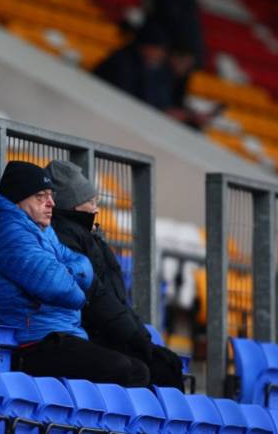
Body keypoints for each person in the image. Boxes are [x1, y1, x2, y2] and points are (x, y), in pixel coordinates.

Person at [0, 161, 150, 386]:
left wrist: (69, 273)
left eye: (50, 195)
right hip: (34, 343)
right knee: (123, 369)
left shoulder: (40, 228)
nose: (51, 203)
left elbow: (82, 263)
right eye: (41, 196)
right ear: (18, 201)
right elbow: (62, 288)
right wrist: (75, 284)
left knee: (139, 369)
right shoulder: (8, 231)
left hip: (60, 334)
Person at [45, 160, 185, 390]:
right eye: (90, 202)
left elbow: (116, 299)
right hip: (92, 332)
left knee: (166, 365)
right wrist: (136, 338)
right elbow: (98, 299)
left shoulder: (90, 237)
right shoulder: (68, 237)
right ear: (72, 205)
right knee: (153, 370)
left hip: (108, 330)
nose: (96, 208)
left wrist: (139, 336)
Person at [93, 20, 173, 111]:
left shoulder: (153, 70)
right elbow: (126, 97)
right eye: (158, 50)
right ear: (146, 47)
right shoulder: (122, 62)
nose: (160, 55)